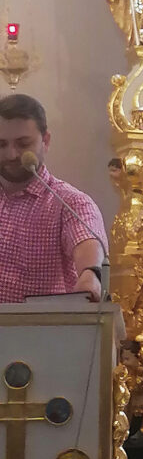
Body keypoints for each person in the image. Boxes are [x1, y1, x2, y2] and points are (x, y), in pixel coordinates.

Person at [0, 94, 107, 303]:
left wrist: (90, 275)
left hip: (41, 324)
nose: (11, 155)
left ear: (45, 141)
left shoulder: (70, 202)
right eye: (1, 144)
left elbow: (86, 240)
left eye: (23, 144)